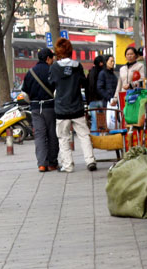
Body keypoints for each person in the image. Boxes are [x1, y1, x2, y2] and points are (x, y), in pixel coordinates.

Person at [49, 38, 96, 173]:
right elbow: (83, 82)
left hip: (61, 108)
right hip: (77, 107)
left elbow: (51, 84)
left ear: (58, 52)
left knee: (63, 137)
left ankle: (68, 165)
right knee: (84, 135)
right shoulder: (78, 66)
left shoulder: (55, 67)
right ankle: (90, 160)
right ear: (71, 50)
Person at [21, 48, 58, 173]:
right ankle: (52, 163)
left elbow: (25, 93)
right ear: (48, 58)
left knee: (40, 136)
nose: (53, 60)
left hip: (36, 108)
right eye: (52, 57)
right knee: (52, 135)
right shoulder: (52, 71)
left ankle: (42, 164)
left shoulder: (30, 72)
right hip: (50, 107)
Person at [86, 55, 105, 131]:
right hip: (100, 100)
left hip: (92, 100)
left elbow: (88, 87)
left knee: (94, 121)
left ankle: (95, 139)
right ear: (100, 63)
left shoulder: (90, 73)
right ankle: (100, 138)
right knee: (102, 121)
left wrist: (88, 101)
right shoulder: (102, 72)